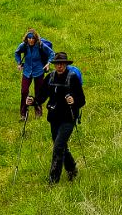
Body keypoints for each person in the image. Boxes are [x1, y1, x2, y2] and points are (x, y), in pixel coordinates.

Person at [35, 49, 85, 184]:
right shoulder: (50, 77)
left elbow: (82, 100)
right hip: (54, 117)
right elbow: (42, 96)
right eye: (57, 63)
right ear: (54, 64)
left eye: (62, 63)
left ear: (66, 64)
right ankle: (72, 170)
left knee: (58, 147)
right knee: (62, 147)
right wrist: (33, 101)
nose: (59, 66)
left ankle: (53, 180)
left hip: (69, 118)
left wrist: (74, 101)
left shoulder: (72, 78)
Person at [14, 28, 55, 120]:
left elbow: (52, 53)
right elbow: (17, 53)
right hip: (27, 71)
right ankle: (23, 114)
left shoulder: (40, 45)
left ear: (36, 38)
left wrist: (48, 63)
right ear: (26, 38)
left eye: (33, 38)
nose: (31, 40)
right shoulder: (24, 45)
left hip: (39, 71)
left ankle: (38, 112)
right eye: (29, 38)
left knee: (39, 92)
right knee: (24, 91)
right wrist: (19, 63)